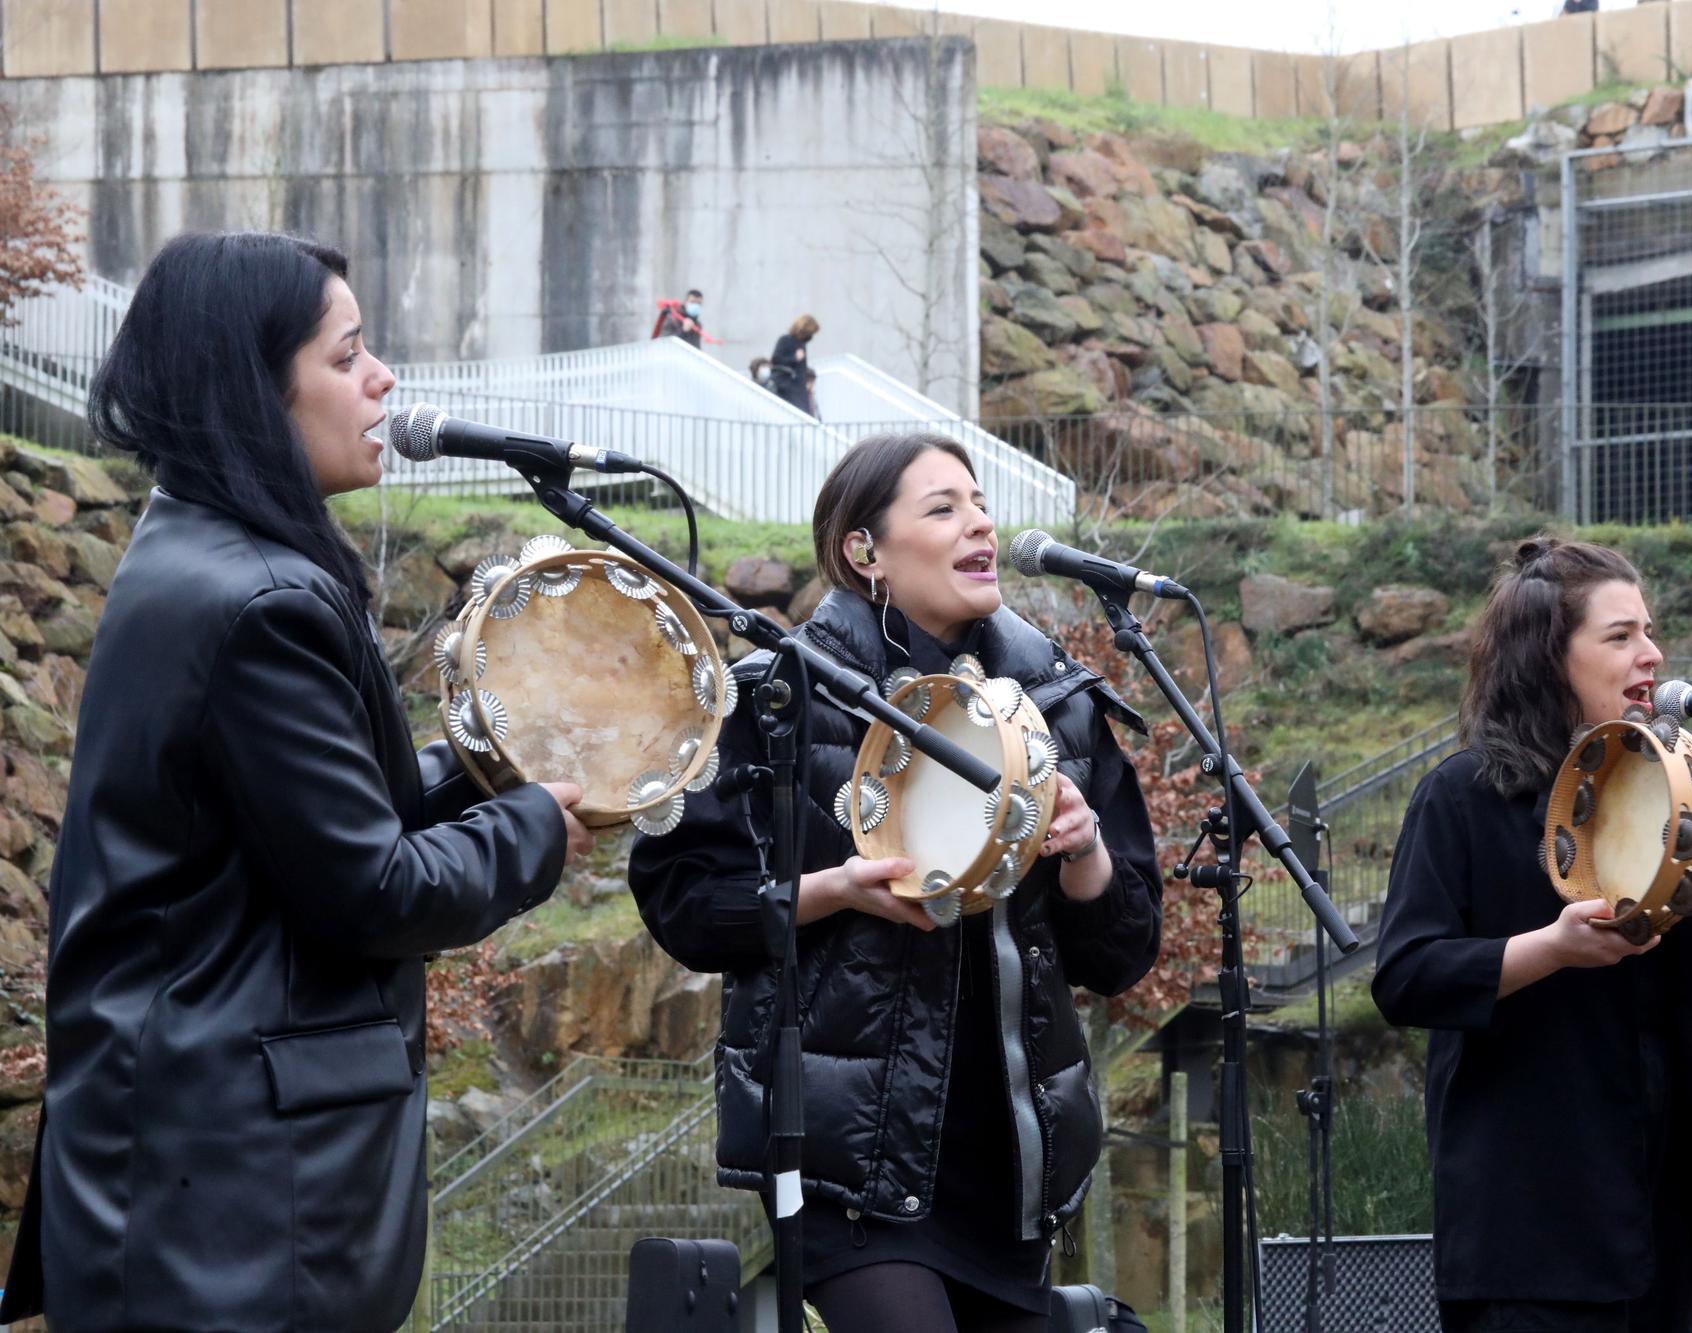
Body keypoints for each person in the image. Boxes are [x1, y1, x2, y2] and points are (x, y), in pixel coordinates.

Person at [0, 231, 591, 1332]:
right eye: (347, 354)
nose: (383, 379)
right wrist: (535, 829)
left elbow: (313, 819)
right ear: (252, 388)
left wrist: (484, 771)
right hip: (234, 1211)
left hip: (195, 1186)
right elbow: (371, 888)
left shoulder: (197, 553)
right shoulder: (258, 600)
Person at [630, 433, 1163, 1332]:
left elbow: (1122, 954)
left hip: (1013, 1168)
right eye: (943, 507)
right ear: (863, 551)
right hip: (849, 1165)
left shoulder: (1058, 700)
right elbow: (684, 901)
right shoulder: (779, 696)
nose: (980, 523)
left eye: (981, 502)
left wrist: (1084, 853)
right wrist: (833, 889)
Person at [1372, 536, 1692, 1333]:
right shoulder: (1461, 796)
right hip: (1529, 1233)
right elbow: (1406, 975)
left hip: (1661, 1225)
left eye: (1649, 632)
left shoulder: (1666, 785)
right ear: (1548, 655)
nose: (1650, 654)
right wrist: (1552, 948)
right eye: (1620, 636)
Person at [768, 313, 819, 414]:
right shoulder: (785, 340)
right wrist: (794, 358)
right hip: (788, 387)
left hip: (799, 387)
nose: (811, 337)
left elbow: (801, 368)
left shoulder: (802, 344)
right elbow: (776, 360)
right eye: (810, 333)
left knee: (804, 415)